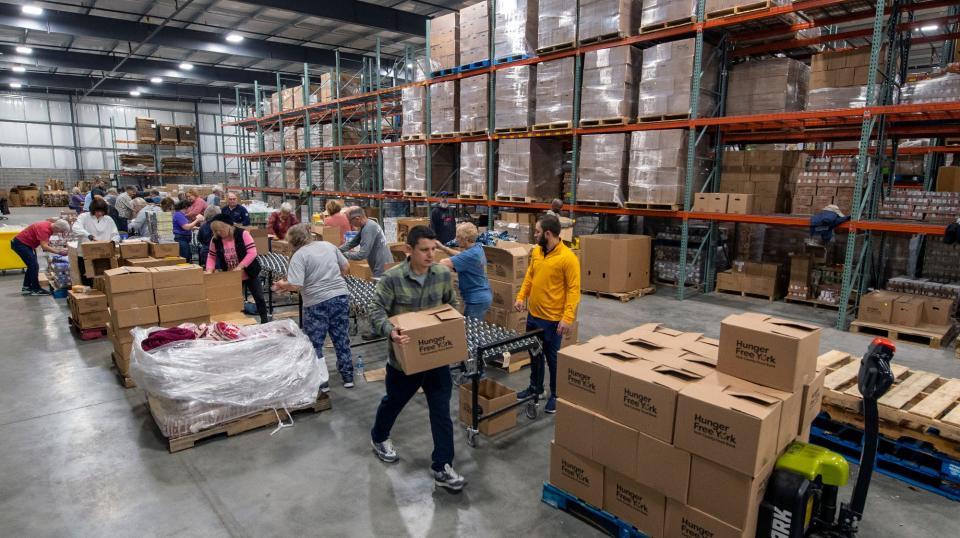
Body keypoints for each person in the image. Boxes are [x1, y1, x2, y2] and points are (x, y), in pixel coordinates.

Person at [368, 225, 466, 492]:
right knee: (394, 401)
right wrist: (391, 332)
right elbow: (375, 311)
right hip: (405, 359)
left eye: (434, 249)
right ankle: (379, 437)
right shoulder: (392, 279)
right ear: (408, 250)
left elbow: (451, 305)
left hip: (436, 358)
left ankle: (442, 466)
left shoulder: (442, 275)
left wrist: (451, 326)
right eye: (424, 250)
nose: (431, 254)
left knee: (441, 410)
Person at [513, 215, 581, 414]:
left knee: (552, 359)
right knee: (534, 354)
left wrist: (567, 318)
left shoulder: (568, 258)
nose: (534, 235)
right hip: (533, 315)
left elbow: (574, 290)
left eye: (537, 231)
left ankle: (556, 395)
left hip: (552, 320)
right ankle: (536, 388)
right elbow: (529, 276)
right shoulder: (536, 252)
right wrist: (520, 297)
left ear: (548, 234)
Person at [273, 224, 354, 387]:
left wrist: (282, 284)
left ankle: (322, 382)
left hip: (316, 303)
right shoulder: (328, 246)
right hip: (340, 297)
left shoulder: (299, 255)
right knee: (341, 337)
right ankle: (348, 377)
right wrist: (332, 282)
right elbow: (346, 267)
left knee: (315, 342)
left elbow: (295, 285)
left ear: (293, 241)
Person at [205, 214, 268, 323]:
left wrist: (240, 267)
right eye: (216, 231)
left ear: (228, 226)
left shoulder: (243, 234)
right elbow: (211, 256)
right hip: (231, 276)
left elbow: (252, 253)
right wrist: (209, 270)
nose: (218, 233)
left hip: (249, 272)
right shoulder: (215, 240)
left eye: (220, 230)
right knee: (233, 301)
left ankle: (265, 321)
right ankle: (237, 322)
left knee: (259, 298)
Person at [438, 222, 492, 320]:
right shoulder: (477, 248)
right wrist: (443, 248)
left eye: (458, 237)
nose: (456, 239)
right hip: (482, 296)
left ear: (466, 239)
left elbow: (443, 262)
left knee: (470, 331)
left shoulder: (470, 255)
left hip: (476, 300)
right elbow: (460, 255)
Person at [11, 219, 70, 296]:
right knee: (34, 266)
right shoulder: (44, 230)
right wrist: (59, 252)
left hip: (27, 244)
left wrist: (58, 248)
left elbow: (45, 242)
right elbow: (44, 247)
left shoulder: (50, 225)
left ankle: (26, 287)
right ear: (58, 228)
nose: (60, 233)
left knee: (32, 266)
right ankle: (36, 289)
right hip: (21, 244)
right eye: (61, 231)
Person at [339, 206, 392, 277]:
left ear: (357, 218)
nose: (351, 224)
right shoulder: (368, 224)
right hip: (383, 265)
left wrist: (342, 255)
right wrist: (337, 250)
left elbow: (362, 255)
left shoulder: (368, 228)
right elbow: (353, 242)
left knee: (379, 286)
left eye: (350, 221)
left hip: (382, 268)